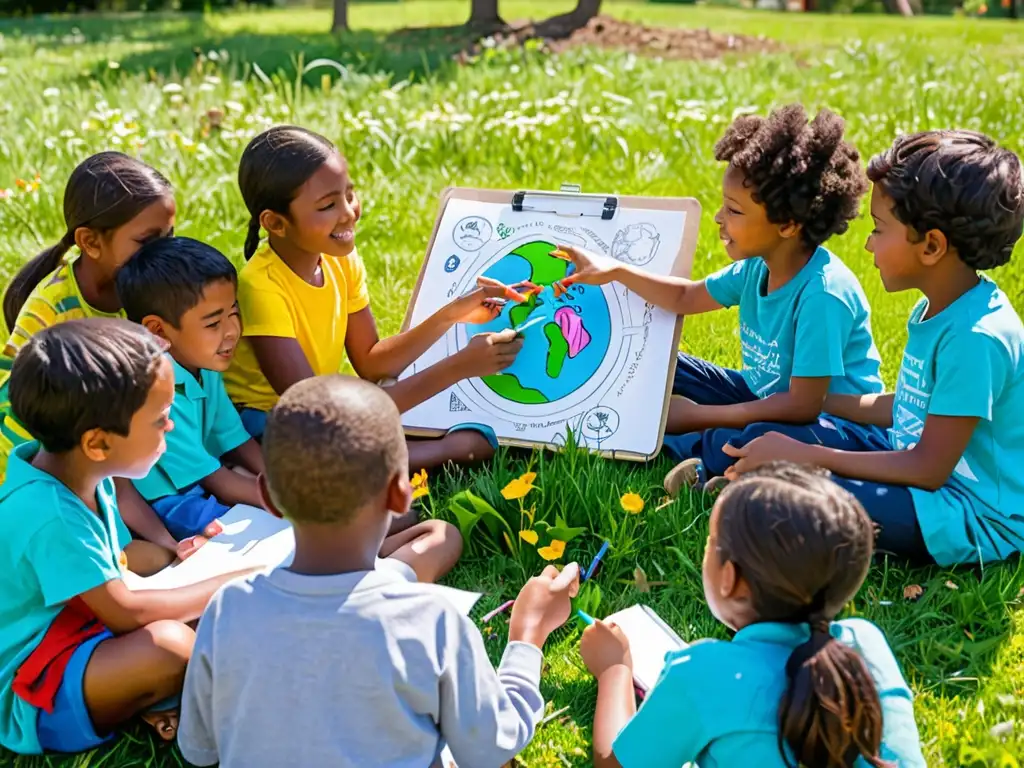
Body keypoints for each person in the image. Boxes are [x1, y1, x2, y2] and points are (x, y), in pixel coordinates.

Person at [177, 375, 578, 767]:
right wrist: (528, 634)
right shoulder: (431, 622)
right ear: (402, 491)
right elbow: (491, 748)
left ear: (267, 497)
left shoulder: (227, 609)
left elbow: (201, 749)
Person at [722, 131, 1024, 567]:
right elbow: (913, 408)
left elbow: (927, 468)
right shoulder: (945, 306)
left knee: (798, 492)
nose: (868, 244)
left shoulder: (976, 338)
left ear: (932, 246)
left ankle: (748, 491)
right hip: (926, 486)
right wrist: (818, 404)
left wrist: (810, 456)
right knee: (785, 441)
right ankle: (747, 484)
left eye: (880, 230)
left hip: (968, 515)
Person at [555, 105, 882, 492]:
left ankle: (709, 460)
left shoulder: (823, 294)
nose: (718, 218)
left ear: (788, 225)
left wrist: (700, 415)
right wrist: (615, 270)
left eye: (734, 210)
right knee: (663, 363)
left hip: (831, 426)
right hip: (763, 397)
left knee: (759, 435)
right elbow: (684, 296)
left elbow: (802, 406)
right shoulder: (756, 268)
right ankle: (693, 449)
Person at [0, 319, 251, 755]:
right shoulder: (48, 513)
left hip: (79, 628)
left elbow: (118, 559)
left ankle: (155, 698)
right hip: (35, 680)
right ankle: (159, 695)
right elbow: (127, 613)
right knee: (171, 647)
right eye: (160, 420)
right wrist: (237, 579)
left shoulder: (86, 475)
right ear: (98, 443)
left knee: (190, 605)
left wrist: (176, 555)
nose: (171, 429)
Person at [580, 463, 925, 768]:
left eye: (710, 543)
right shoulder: (866, 644)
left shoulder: (700, 673)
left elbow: (615, 764)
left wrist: (615, 670)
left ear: (730, 578)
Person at [222, 125, 524, 474]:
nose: (348, 212)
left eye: (348, 195)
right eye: (328, 205)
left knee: (376, 398)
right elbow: (316, 415)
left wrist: (451, 315)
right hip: (269, 427)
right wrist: (459, 366)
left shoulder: (339, 259)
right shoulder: (261, 288)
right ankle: (439, 452)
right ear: (275, 223)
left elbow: (373, 364)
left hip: (321, 412)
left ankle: (406, 451)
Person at [0, 151, 190, 560]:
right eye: (147, 241)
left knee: (163, 553)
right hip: (46, 479)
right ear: (90, 241)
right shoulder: (51, 312)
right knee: (148, 563)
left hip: (111, 459)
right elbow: (22, 417)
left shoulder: (141, 289)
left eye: (169, 237)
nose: (162, 253)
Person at [115, 237, 265, 540]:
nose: (232, 331)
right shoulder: (156, 388)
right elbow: (216, 480)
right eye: (213, 324)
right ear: (158, 330)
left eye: (233, 312)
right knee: (240, 530)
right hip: (169, 499)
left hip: (207, 475)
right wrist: (289, 501)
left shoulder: (204, 363)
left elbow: (234, 437)